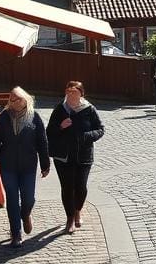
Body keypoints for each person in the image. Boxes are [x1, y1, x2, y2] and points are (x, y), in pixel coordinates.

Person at [0, 87, 51, 246]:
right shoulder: (3, 117)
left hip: (28, 165)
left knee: (28, 198)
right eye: (12, 100)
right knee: (13, 199)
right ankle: (16, 234)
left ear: (25, 99)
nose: (15, 102)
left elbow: (42, 142)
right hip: (8, 166)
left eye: (18, 99)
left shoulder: (34, 117)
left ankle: (26, 213)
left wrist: (45, 164)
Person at [46, 81, 105, 234]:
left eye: (74, 91)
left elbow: (100, 129)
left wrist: (86, 136)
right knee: (67, 188)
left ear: (81, 93)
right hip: (63, 157)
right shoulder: (60, 109)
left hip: (83, 155)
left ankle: (78, 210)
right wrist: (61, 126)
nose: (70, 94)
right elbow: (49, 131)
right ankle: (70, 218)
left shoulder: (89, 109)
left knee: (81, 187)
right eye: (68, 91)